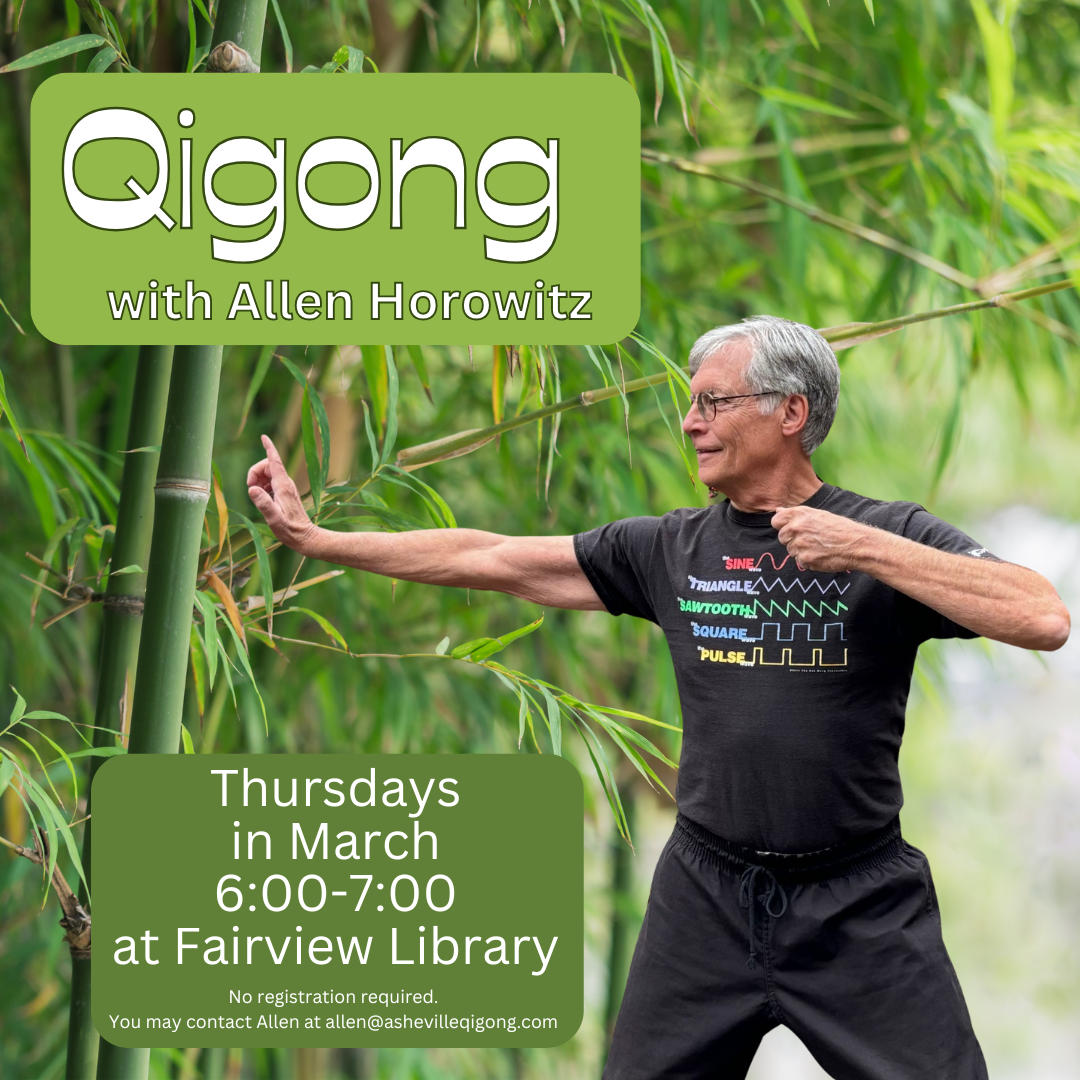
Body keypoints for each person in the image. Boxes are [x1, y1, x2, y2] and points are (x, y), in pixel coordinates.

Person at [247, 315, 1070, 1080]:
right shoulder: (670, 549)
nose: (690, 422)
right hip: (706, 898)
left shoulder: (886, 534)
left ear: (791, 411)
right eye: (690, 404)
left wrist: (867, 549)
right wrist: (321, 540)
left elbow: (1040, 613)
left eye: (712, 401)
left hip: (856, 904)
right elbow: (492, 556)